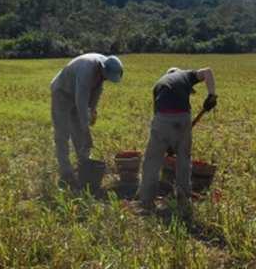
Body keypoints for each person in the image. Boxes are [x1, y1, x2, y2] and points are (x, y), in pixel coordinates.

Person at [138, 67, 216, 214]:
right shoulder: (186, 76)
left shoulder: (159, 84)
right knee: (184, 158)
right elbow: (208, 71)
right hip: (183, 117)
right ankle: (183, 198)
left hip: (163, 118)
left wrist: (166, 144)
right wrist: (212, 95)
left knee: (153, 159)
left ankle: (147, 201)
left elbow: (159, 116)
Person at [50, 53, 123, 187]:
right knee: (62, 133)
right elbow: (81, 100)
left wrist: (93, 110)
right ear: (102, 69)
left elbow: (97, 90)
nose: (106, 80)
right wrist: (86, 129)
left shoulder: (104, 69)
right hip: (62, 92)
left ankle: (84, 165)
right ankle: (66, 173)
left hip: (76, 95)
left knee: (78, 132)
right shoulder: (87, 69)